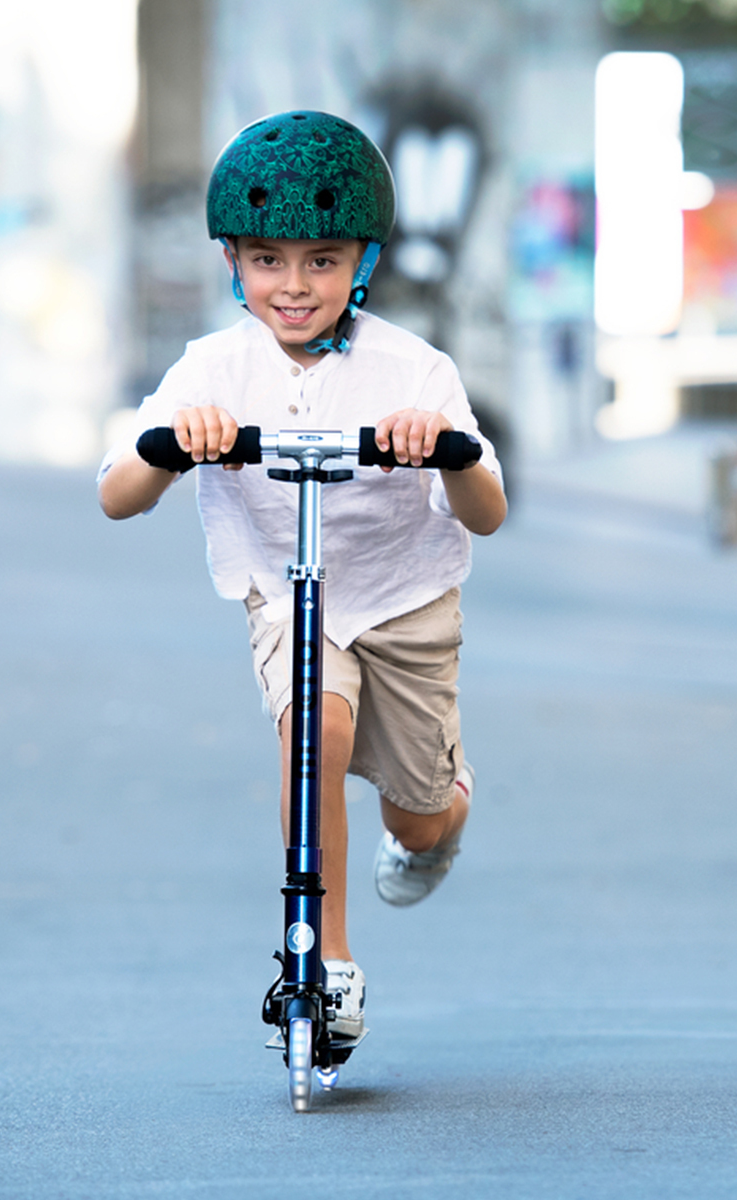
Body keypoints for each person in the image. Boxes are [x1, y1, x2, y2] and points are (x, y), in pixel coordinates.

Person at [98, 111, 506, 1038]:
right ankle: (326, 956)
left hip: (405, 601)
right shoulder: (210, 368)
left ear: (362, 263)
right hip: (288, 589)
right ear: (232, 263)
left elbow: (488, 511)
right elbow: (118, 495)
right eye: (268, 259)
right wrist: (175, 447)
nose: (294, 284)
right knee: (310, 727)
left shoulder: (416, 368)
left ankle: (445, 811)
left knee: (418, 823)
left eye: (323, 259)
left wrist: (443, 453)